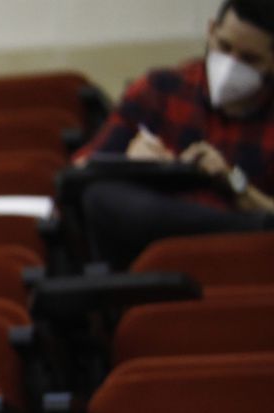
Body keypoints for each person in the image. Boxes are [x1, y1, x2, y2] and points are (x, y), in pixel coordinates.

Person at [74, 0, 274, 267]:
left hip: (246, 263)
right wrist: (129, 166)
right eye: (224, 47)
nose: (230, 65)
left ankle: (243, 226)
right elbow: (79, 171)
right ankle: (241, 226)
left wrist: (234, 183)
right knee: (100, 194)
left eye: (249, 59)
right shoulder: (160, 88)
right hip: (155, 247)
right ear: (211, 31)